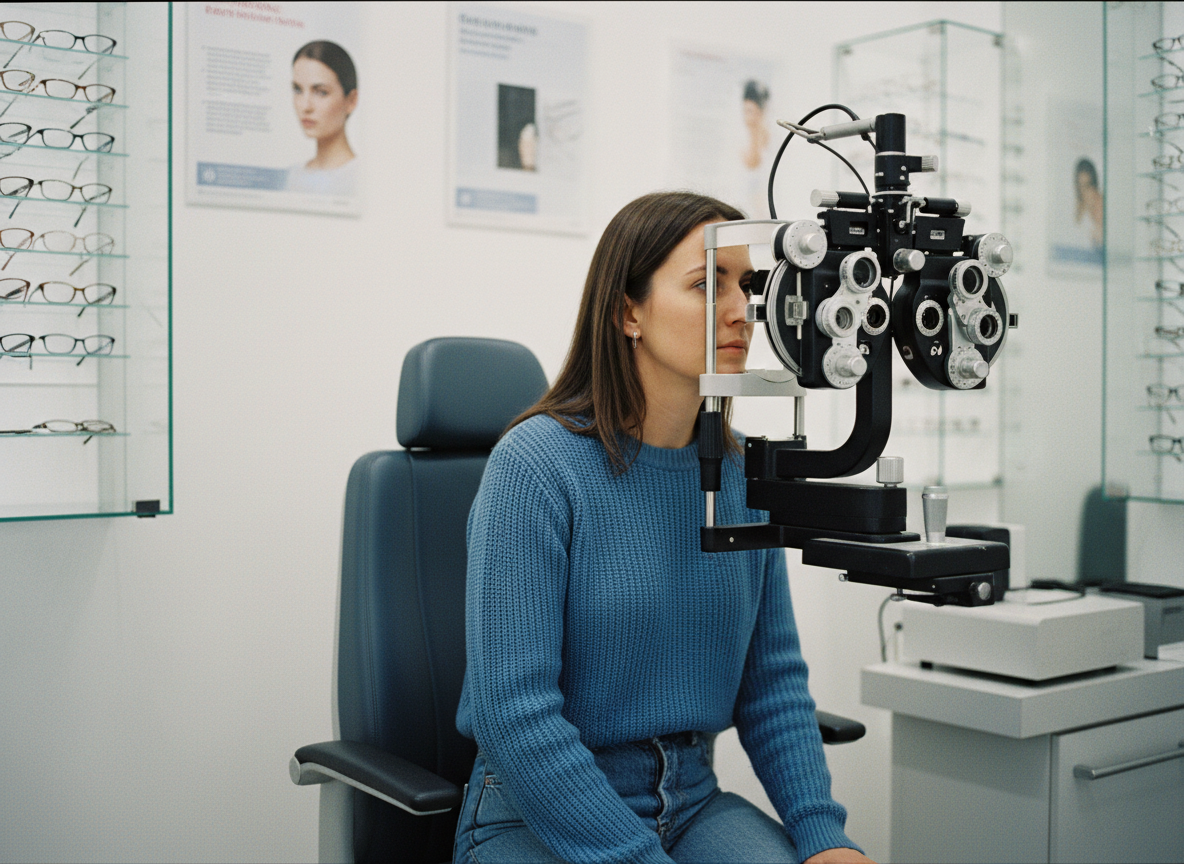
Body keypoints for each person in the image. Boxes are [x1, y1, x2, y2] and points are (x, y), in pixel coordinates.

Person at [453, 191, 874, 864]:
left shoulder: (740, 476)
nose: (742, 311)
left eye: (748, 284)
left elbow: (772, 686)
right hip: (535, 810)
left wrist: (824, 837)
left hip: (692, 804)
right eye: (708, 284)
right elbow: (515, 715)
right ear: (629, 313)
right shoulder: (534, 469)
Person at [287, 40, 357, 196]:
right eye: (298, 90)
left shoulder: (362, 179)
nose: (306, 106)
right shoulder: (291, 177)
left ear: (351, 100)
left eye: (321, 92)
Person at [1074, 157, 1103, 250]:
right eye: (1080, 186)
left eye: (1087, 185)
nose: (1084, 192)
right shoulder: (1079, 207)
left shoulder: (1100, 201)